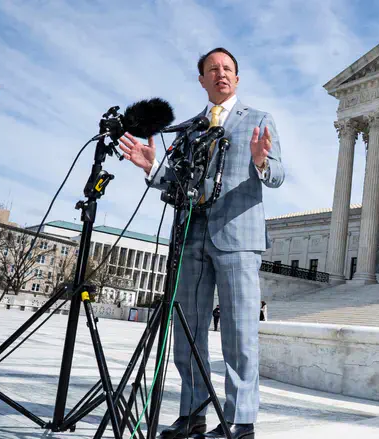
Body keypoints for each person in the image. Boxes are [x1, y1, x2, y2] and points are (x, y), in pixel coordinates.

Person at [119, 47, 284, 439]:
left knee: (239, 332)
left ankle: (240, 421)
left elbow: (277, 176)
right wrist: (152, 167)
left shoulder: (259, 120)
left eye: (227, 68)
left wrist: (261, 161)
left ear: (237, 79)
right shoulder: (191, 127)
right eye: (213, 69)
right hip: (190, 235)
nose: (221, 74)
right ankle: (192, 414)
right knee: (187, 330)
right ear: (202, 80)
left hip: (238, 239)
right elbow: (175, 182)